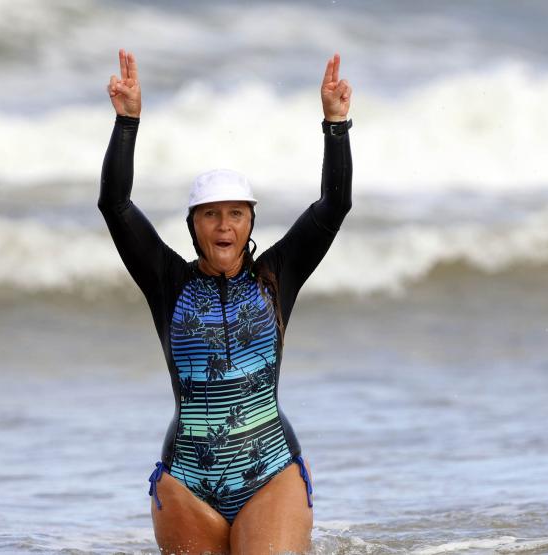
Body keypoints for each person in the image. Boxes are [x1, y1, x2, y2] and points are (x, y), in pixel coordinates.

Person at [99, 49, 352, 553]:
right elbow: (115, 204)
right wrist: (127, 122)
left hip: (270, 474)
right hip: (186, 484)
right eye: (211, 215)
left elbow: (334, 204)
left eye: (236, 214)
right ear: (193, 225)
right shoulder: (167, 280)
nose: (224, 226)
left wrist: (336, 125)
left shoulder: (277, 276)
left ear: (250, 223)